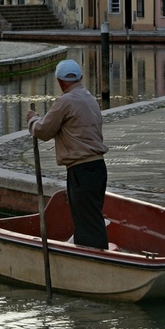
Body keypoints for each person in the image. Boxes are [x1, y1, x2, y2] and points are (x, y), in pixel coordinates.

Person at [26, 59, 109, 249]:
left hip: (81, 169)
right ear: (79, 78)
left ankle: (94, 260)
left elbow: (44, 130)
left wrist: (33, 120)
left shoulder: (65, 101)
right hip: (98, 167)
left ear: (60, 82)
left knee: (86, 221)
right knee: (91, 217)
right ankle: (94, 255)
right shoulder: (89, 98)